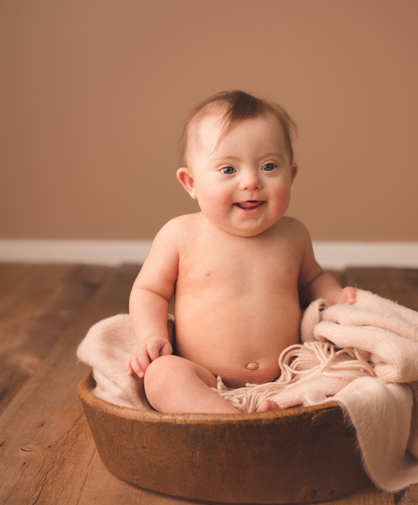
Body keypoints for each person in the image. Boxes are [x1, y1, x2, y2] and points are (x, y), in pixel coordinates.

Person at [127, 90, 356, 414]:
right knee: (161, 377)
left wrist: (335, 298)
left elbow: (312, 282)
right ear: (190, 182)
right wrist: (151, 336)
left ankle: (283, 410)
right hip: (204, 377)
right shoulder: (180, 234)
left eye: (268, 166)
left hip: (289, 373)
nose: (251, 181)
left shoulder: (293, 234)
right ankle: (231, 422)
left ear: (290, 175)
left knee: (352, 372)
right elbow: (149, 290)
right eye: (228, 170)